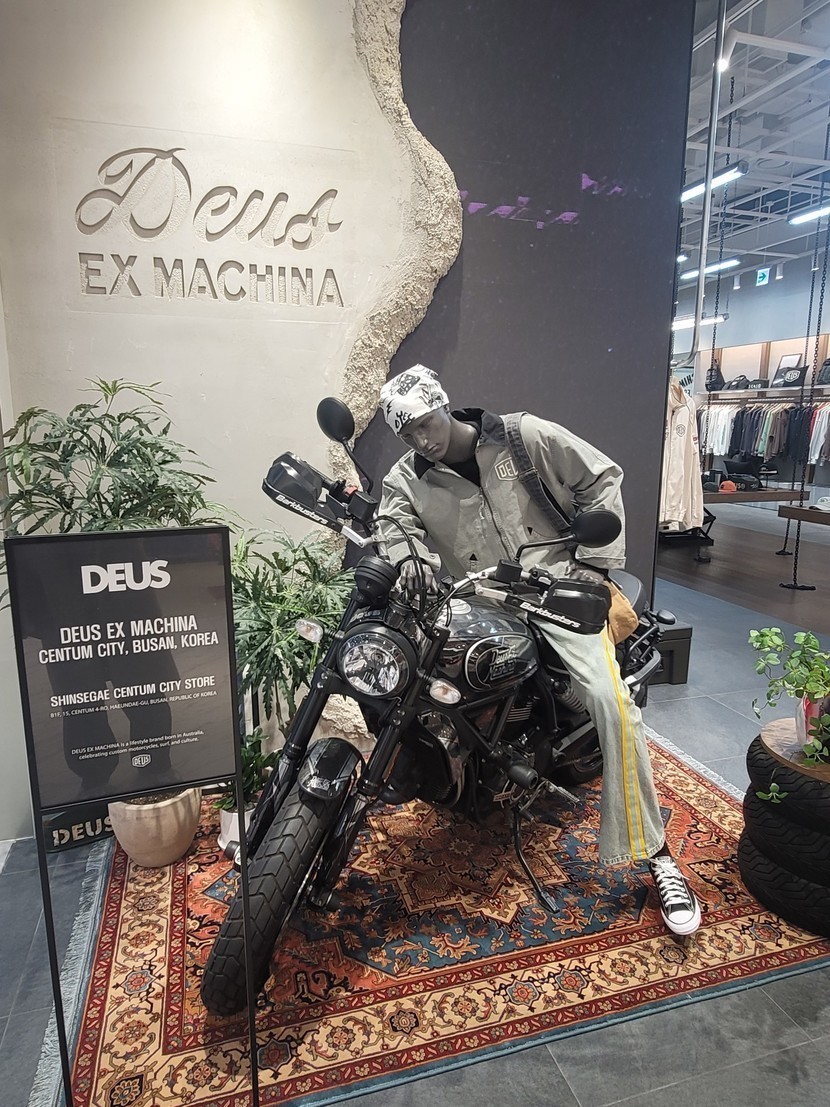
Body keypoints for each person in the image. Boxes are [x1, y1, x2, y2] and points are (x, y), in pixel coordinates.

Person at [376, 363, 701, 937]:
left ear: (443, 405)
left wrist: (592, 567)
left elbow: (602, 477)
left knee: (611, 701)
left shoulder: (523, 436)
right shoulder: (406, 477)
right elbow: (393, 525)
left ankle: (657, 855)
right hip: (479, 601)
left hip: (556, 592)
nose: (422, 439)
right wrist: (408, 560)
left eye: (426, 423)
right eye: (408, 432)